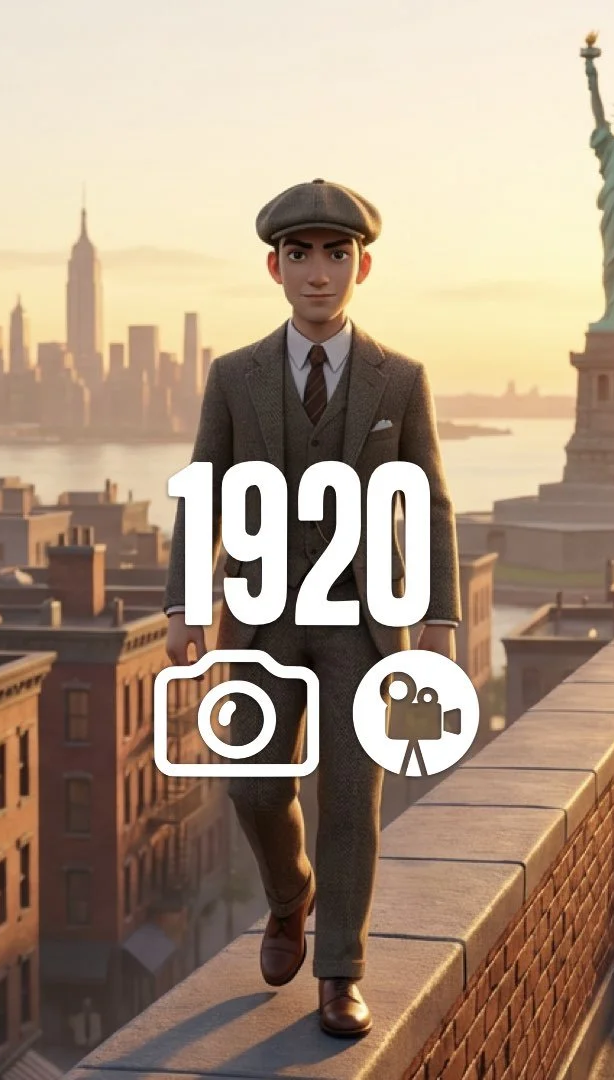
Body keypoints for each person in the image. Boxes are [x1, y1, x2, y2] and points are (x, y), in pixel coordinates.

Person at [162, 178, 461, 1037]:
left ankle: (341, 971)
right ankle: (291, 895)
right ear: (274, 267)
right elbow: (203, 495)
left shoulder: (399, 381)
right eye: (301, 255)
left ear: (362, 265)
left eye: (336, 255)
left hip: (363, 623)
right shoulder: (234, 377)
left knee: (351, 795)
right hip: (260, 616)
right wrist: (187, 604)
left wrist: (438, 621)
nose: (319, 273)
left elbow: (429, 500)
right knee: (254, 785)